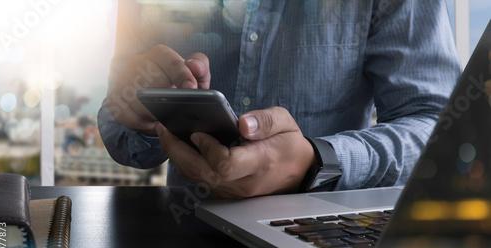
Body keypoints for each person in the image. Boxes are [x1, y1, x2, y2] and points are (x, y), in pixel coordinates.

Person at [98, 0, 461, 198]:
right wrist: (138, 117)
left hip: (320, 232)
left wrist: (318, 162)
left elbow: (440, 131)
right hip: (181, 245)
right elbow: (120, 135)